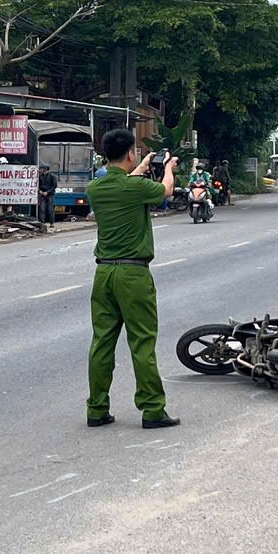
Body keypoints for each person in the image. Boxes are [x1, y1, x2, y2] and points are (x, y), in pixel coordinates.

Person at [84, 130, 181, 429]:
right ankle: (152, 409)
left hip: (104, 274)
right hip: (133, 274)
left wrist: (141, 167)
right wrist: (167, 169)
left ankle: (97, 409)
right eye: (136, 151)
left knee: (102, 342)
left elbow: (126, 182)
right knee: (142, 343)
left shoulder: (95, 188)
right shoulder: (136, 187)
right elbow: (165, 191)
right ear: (130, 154)